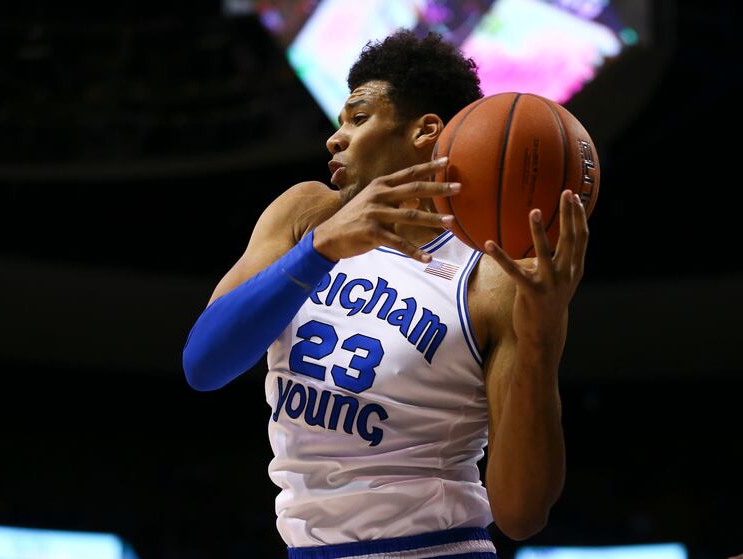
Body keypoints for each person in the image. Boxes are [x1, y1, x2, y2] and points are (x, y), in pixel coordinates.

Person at [183, 30, 589, 558]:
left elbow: (521, 514)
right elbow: (203, 364)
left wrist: (541, 339)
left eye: (358, 117)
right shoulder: (307, 215)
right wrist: (319, 250)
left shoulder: (491, 276)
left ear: (425, 131)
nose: (335, 139)